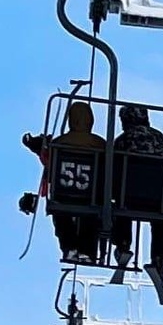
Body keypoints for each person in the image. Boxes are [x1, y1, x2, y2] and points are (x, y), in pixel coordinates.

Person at [26, 101, 108, 264]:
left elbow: (50, 163)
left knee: (61, 215)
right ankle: (87, 251)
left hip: (63, 193)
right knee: (91, 216)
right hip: (91, 195)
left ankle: (69, 247)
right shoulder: (101, 144)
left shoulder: (59, 143)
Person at [110, 104, 163, 275]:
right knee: (161, 222)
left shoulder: (122, 141)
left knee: (119, 209)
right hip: (157, 200)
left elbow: (113, 171)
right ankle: (159, 259)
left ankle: (123, 244)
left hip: (128, 198)